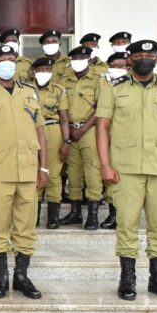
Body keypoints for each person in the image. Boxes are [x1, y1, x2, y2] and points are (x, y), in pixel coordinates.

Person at [96, 39, 157, 304]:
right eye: (138, 55)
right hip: (125, 169)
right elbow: (102, 127)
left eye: (149, 54)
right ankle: (127, 279)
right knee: (126, 225)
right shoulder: (113, 88)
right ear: (130, 59)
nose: (144, 58)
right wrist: (105, 164)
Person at [0, 45, 47, 300]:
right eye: (2, 60)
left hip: (28, 169)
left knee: (26, 227)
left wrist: (43, 167)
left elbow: (41, 132)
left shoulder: (30, 92)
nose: (8, 64)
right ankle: (1, 276)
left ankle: (21, 276)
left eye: (11, 59)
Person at [59, 46, 104, 230]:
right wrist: (68, 130)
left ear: (88, 58)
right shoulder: (65, 79)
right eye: (75, 57)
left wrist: (83, 128)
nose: (78, 60)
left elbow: (100, 107)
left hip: (89, 130)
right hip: (69, 131)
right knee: (74, 173)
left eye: (82, 57)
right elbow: (59, 105)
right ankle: (75, 213)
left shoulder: (97, 79)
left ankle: (92, 215)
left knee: (93, 172)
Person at [32, 57, 70, 229]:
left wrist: (66, 141)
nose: (43, 73)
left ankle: (53, 218)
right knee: (34, 173)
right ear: (33, 71)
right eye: (40, 70)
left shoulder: (59, 90)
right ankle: (34, 216)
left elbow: (63, 118)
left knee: (53, 174)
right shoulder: (26, 89)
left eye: (47, 70)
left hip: (53, 131)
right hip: (31, 132)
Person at [99, 52, 131, 230]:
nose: (117, 69)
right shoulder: (102, 82)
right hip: (106, 132)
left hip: (127, 136)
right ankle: (113, 212)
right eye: (114, 65)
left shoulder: (135, 85)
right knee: (111, 173)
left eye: (121, 65)